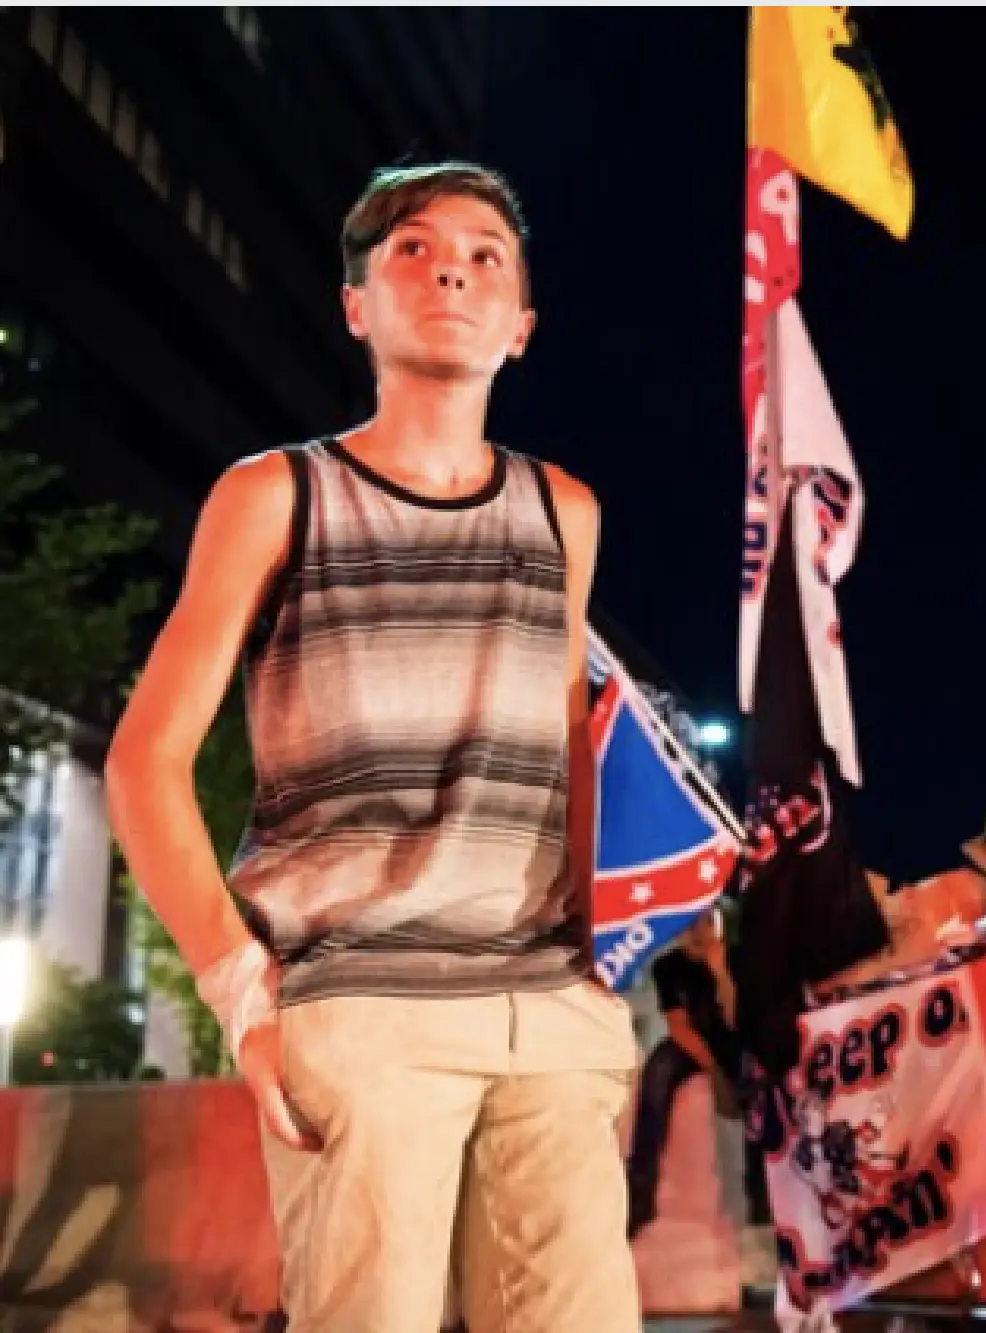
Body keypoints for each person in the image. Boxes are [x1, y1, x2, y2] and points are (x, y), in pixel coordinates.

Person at [105, 162, 642, 1333]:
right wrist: (241, 991)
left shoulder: (567, 513)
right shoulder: (275, 495)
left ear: (523, 325)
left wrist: (609, 969)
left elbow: (569, 752)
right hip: (357, 996)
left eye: (486, 253)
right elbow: (144, 762)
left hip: (544, 1003)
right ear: (355, 304)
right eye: (410, 245)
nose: (452, 262)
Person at [626, 907, 748, 1237]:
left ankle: (752, 1193)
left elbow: (739, 1018)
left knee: (752, 1072)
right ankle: (640, 1192)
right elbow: (679, 1028)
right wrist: (712, 1067)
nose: (696, 932)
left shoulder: (738, 959)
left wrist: (720, 972)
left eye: (704, 923)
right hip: (693, 1042)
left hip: (734, 1036)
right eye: (688, 926)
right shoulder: (668, 967)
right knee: (657, 1071)